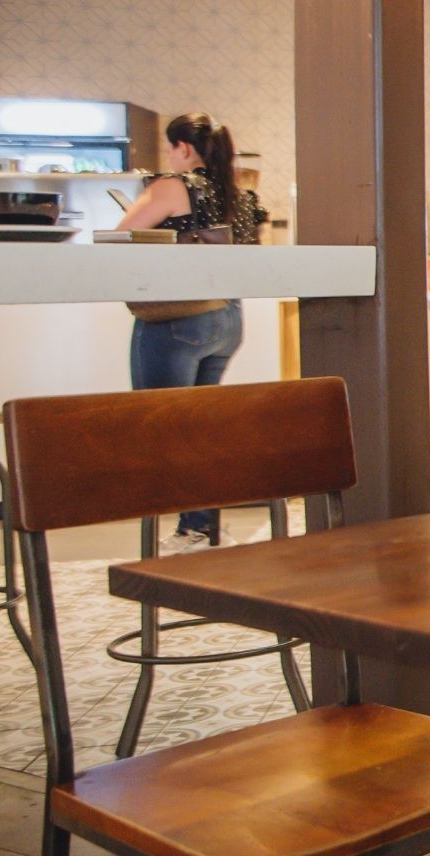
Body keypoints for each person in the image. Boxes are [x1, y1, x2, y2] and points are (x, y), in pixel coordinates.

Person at [116, 113, 262, 554]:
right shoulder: (236, 192)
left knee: (164, 430)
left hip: (178, 318)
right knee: (202, 430)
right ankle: (201, 528)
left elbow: (119, 236)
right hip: (227, 318)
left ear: (182, 147)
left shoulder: (172, 186)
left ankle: (187, 531)